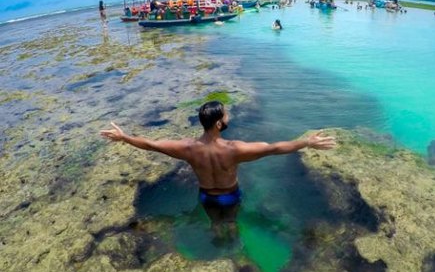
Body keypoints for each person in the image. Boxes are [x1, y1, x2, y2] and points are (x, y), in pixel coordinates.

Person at [100, 101, 335, 235]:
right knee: (231, 222)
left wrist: (124, 137)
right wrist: (306, 142)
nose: (228, 115)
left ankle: (216, 236)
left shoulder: (188, 148)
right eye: (226, 113)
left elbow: (151, 144)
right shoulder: (234, 149)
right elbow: (273, 148)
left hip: (206, 197)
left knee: (214, 223)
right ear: (219, 123)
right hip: (230, 196)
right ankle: (231, 244)